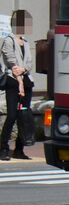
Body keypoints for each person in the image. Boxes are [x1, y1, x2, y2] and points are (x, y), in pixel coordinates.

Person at [1, 9, 36, 161]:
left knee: (24, 114)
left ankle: (19, 149)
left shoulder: (26, 43)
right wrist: (19, 78)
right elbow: (11, 61)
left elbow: (29, 63)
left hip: (27, 82)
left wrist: (23, 71)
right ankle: (3, 148)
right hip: (12, 81)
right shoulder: (8, 40)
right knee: (12, 115)